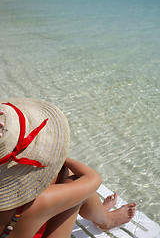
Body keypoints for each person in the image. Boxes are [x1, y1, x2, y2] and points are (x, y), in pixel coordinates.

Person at [0, 98, 136, 238]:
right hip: (25, 216)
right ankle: (106, 220)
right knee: (76, 181)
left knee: (61, 175)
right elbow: (93, 178)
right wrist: (56, 157)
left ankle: (97, 211)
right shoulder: (40, 201)